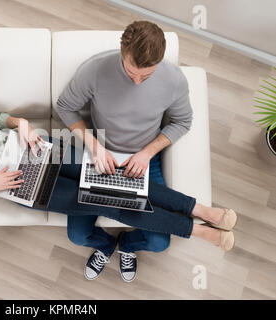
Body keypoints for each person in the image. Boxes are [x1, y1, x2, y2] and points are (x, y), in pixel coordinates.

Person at [0, 94, 236, 284]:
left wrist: (20, 125)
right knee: (109, 201)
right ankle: (196, 231)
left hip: (40, 147)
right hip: (21, 183)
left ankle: (200, 210)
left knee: (120, 180)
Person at [53, 20, 237, 282]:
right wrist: (95, 146)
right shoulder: (95, 70)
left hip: (145, 159)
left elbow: (182, 122)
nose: (137, 82)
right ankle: (106, 246)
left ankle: (127, 245)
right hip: (100, 155)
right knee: (78, 235)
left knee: (159, 242)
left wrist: (148, 152)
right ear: (122, 52)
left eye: (146, 75)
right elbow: (65, 107)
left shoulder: (173, 80)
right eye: (131, 73)